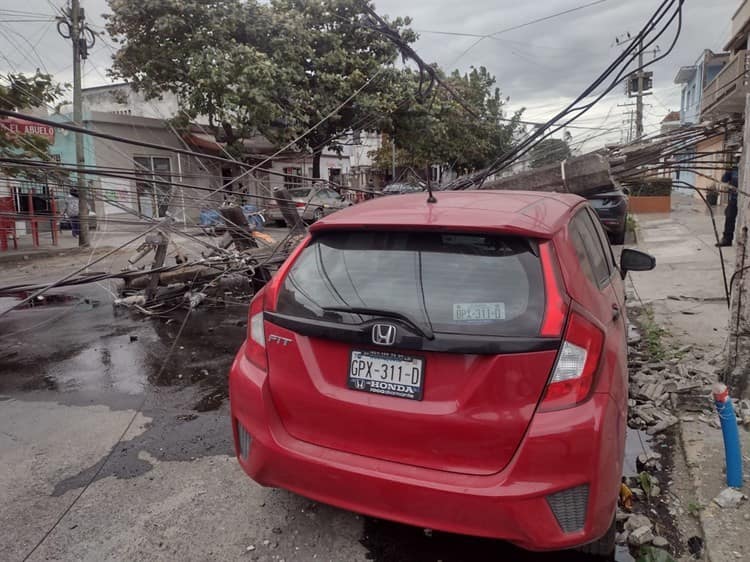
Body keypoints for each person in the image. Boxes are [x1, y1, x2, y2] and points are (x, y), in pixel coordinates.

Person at [717, 163, 739, 247]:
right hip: (733, 199)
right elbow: (724, 181)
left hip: (747, 201)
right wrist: (727, 172)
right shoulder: (733, 170)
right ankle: (727, 239)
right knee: (729, 218)